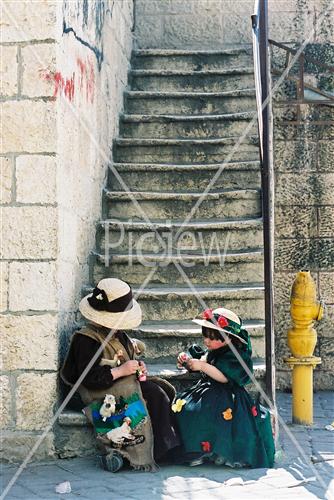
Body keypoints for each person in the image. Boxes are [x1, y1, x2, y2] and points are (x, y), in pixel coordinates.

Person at [61, 278, 180, 472]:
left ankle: (166, 446)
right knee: (141, 402)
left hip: (117, 384)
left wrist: (136, 369)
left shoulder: (119, 335)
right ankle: (133, 452)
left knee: (158, 392)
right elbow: (87, 377)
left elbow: (124, 359)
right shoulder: (86, 339)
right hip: (92, 391)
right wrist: (121, 371)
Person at [173, 307, 275, 468]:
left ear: (228, 337)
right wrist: (189, 362)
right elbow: (205, 360)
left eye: (211, 338)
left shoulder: (236, 355)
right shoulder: (214, 349)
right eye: (205, 336)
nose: (206, 341)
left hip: (228, 395)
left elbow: (224, 376)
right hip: (209, 389)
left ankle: (219, 451)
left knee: (216, 417)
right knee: (187, 408)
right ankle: (198, 450)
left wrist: (202, 366)